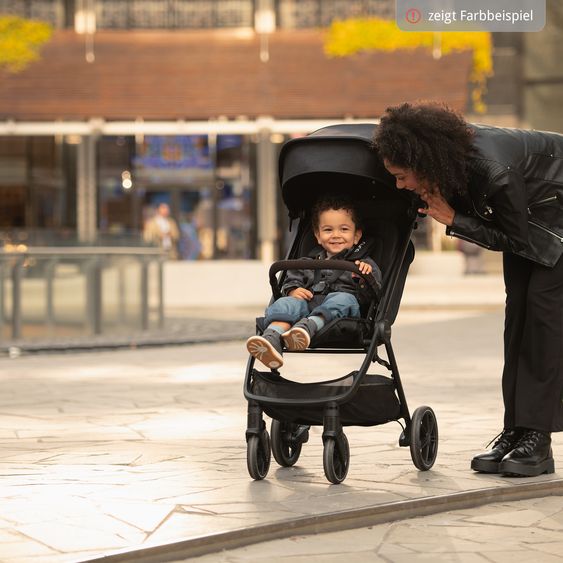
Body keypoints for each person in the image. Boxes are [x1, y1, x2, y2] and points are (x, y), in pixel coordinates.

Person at [373, 100, 563, 477]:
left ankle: (537, 441)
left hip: (555, 225)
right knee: (517, 326)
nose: (401, 185)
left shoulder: (494, 173)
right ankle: (516, 431)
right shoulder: (447, 165)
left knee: (543, 327)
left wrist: (454, 220)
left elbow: (516, 240)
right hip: (530, 222)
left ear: (423, 162)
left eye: (402, 175)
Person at [246, 196, 382, 370]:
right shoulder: (307, 263)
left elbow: (373, 295)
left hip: (340, 317)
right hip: (307, 307)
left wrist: (365, 278)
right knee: (287, 303)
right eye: (328, 230)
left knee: (342, 299)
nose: (336, 235)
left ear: (356, 236)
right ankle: (272, 338)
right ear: (318, 235)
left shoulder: (362, 265)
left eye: (344, 229)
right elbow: (291, 281)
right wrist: (293, 291)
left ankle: (308, 328)